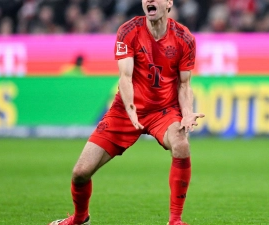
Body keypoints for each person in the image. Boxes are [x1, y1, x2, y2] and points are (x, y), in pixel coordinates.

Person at [48, 0, 204, 224]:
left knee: (181, 144)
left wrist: (187, 112)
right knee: (80, 173)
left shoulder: (184, 38)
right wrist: (130, 106)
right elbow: (125, 76)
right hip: (125, 111)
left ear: (169, 3)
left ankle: (175, 220)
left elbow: (184, 84)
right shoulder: (129, 30)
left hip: (163, 111)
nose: (149, 0)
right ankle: (80, 218)